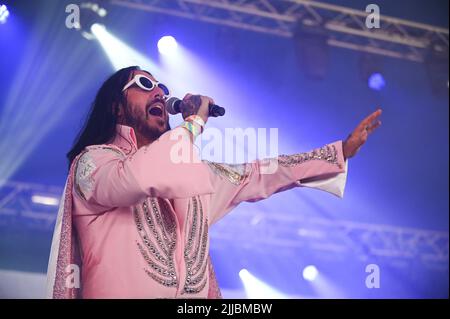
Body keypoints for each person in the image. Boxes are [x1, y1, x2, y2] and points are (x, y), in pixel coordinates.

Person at [46, 66, 382, 298]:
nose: (160, 94)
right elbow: (140, 176)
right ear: (116, 108)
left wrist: (337, 152)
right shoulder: (94, 164)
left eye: (162, 88)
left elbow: (259, 173)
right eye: (145, 85)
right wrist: (193, 123)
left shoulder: (192, 173)